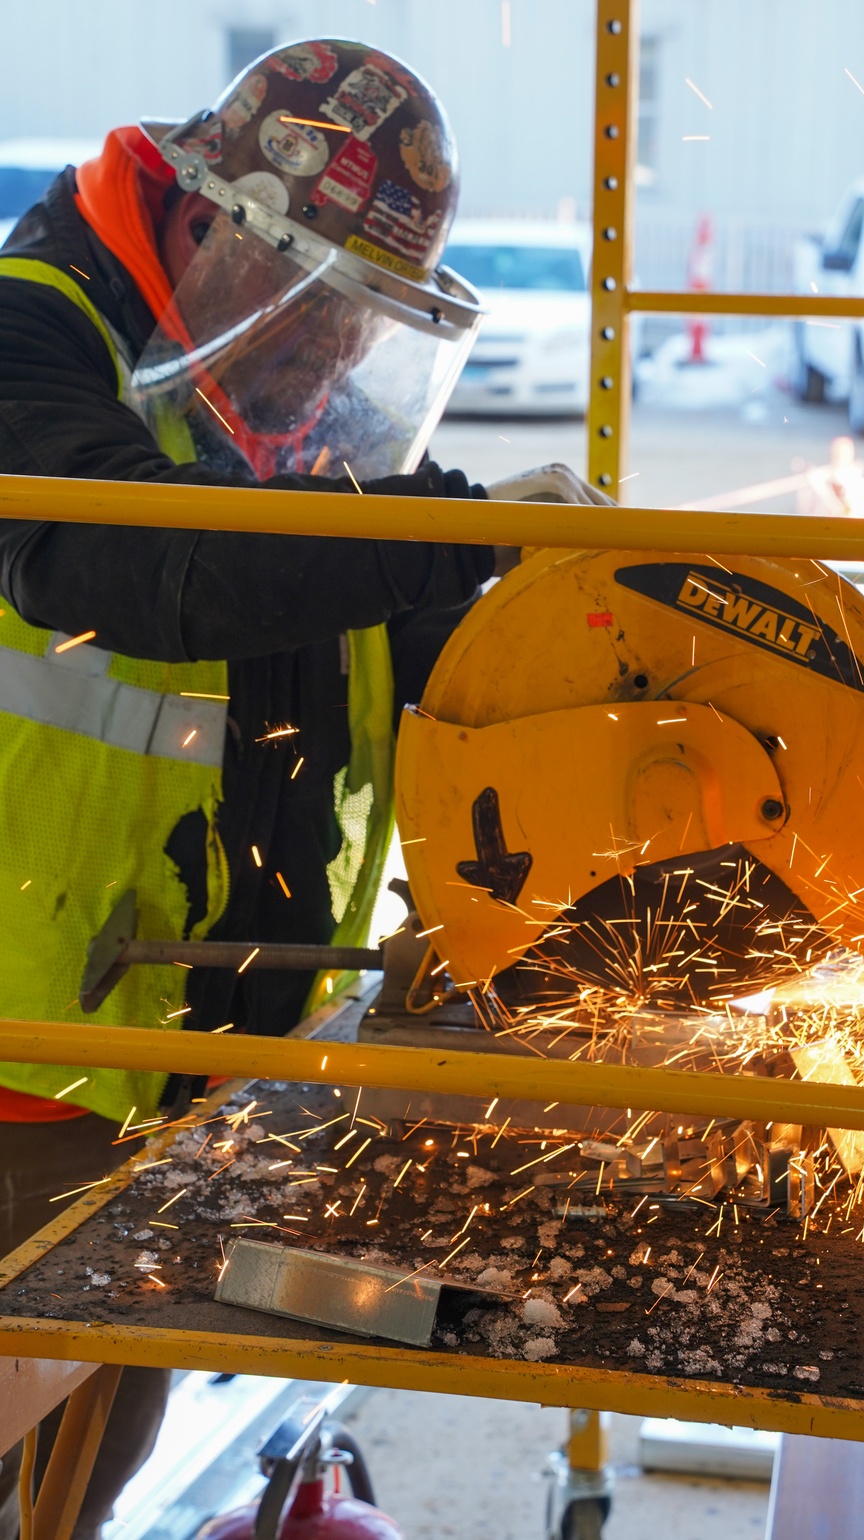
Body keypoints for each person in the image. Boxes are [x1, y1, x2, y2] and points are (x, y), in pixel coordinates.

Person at [0, 36, 602, 1537]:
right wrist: (455, 529)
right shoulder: (31, 345)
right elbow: (141, 566)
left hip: (183, 1048)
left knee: (89, 1454)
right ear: (204, 220)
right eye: (314, 307)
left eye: (363, 322)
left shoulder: (274, 375)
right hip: (19, 1052)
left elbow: (402, 652)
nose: (332, 355)